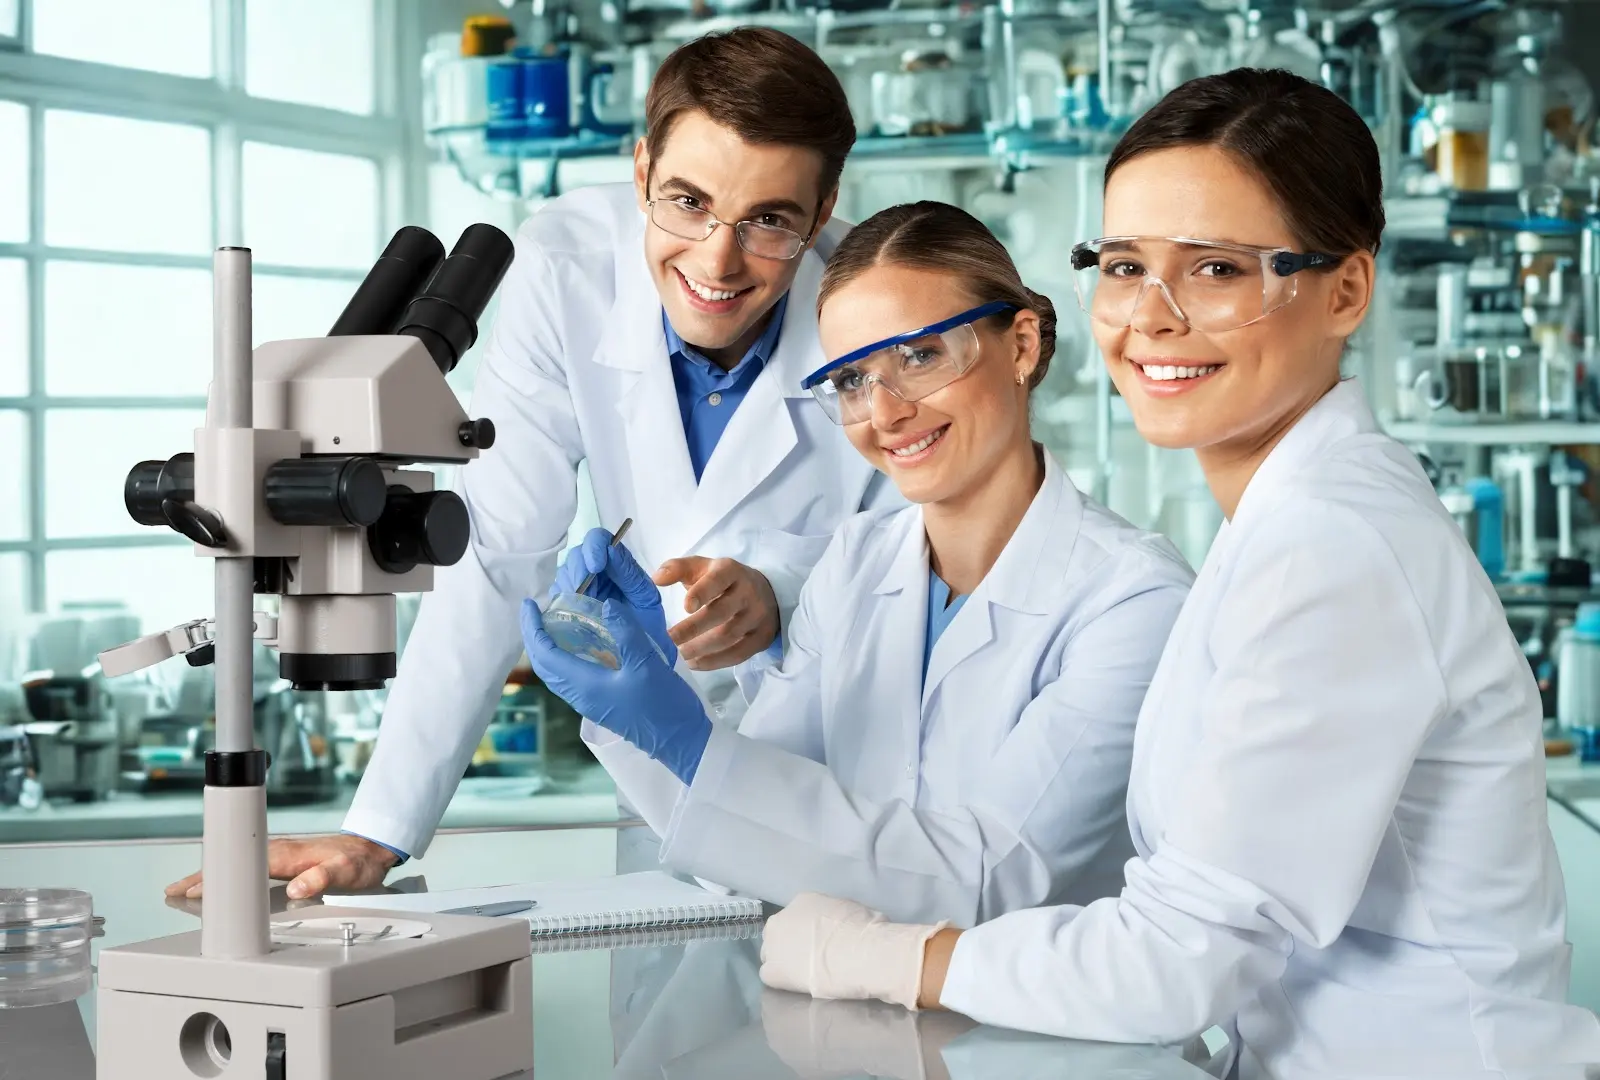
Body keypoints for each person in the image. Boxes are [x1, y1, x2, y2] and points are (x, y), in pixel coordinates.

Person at [758, 69, 1600, 1078]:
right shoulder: (1288, 523)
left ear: (1344, 290)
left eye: (1214, 270)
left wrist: (881, 957)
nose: (1149, 319)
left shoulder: (1333, 549)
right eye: (1122, 265)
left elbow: (1176, 961)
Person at [168, 28, 899, 900]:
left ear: (822, 216)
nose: (717, 260)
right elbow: (497, 548)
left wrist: (779, 592)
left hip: (850, 786)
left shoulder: (876, 306)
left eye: (771, 221)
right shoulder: (565, 266)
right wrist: (379, 830)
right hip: (663, 797)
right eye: (688, 203)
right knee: (674, 1020)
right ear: (639, 174)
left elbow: (929, 546)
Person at [519, 202, 1194, 925]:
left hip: (1049, 1031)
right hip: (848, 1018)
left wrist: (687, 743)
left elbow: (990, 877)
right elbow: (751, 858)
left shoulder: (1135, 602)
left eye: (920, 356)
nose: (885, 411)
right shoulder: (855, 565)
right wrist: (651, 699)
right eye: (849, 380)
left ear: (1022, 345)